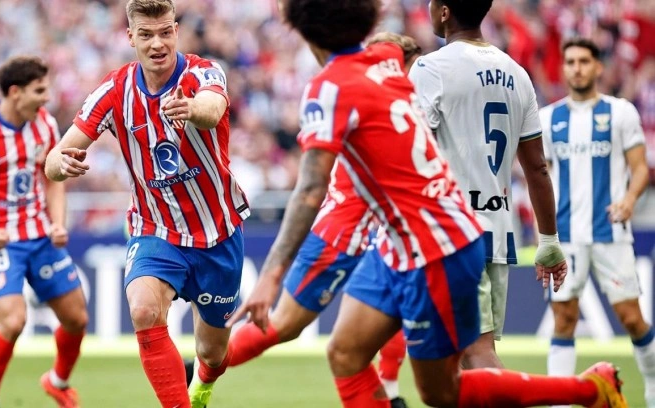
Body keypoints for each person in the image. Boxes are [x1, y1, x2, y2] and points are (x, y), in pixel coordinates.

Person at [231, 0, 628, 407]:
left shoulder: (407, 73)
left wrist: (271, 276)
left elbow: (312, 187)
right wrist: (548, 238)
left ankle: (589, 390)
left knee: (449, 383)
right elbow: (536, 167)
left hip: (436, 240)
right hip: (449, 230)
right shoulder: (504, 72)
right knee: (346, 353)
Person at [184, 32, 421, 408]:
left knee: (390, 311)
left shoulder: (389, 78)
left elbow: (398, 45)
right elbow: (311, 186)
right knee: (284, 324)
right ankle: (202, 370)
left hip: (384, 226)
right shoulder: (359, 90)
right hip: (343, 226)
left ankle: (390, 391)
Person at [44, 0, 248, 406]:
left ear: (176, 31)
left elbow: (213, 109)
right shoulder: (113, 91)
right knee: (142, 310)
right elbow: (52, 159)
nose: (158, 44)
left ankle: (202, 382)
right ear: (130, 37)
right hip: (156, 228)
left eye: (165, 32)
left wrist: (191, 108)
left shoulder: (203, 72)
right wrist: (60, 165)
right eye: (147, 34)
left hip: (218, 232)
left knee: (212, 353)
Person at [407, 0, 566, 369]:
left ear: (445, 11)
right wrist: (548, 241)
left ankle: (566, 391)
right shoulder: (517, 73)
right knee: (463, 356)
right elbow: (537, 168)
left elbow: (412, 154)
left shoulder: (430, 68)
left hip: (452, 233)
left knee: (474, 353)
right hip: (495, 231)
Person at [0, 56, 87, 408]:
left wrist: (57, 222)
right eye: (39, 91)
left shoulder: (45, 125)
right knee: (13, 322)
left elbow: (53, 181)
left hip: (40, 235)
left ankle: (57, 381)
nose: (46, 97)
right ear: (15, 92)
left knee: (76, 318)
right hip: (0, 242)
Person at [541, 37, 655, 408]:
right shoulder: (548, 119)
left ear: (598, 67)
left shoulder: (620, 112)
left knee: (632, 318)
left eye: (584, 61)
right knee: (563, 318)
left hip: (610, 232)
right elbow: (540, 176)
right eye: (570, 62)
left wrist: (629, 199)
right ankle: (559, 402)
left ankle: (653, 388)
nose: (577, 68)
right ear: (563, 68)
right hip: (566, 236)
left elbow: (640, 168)